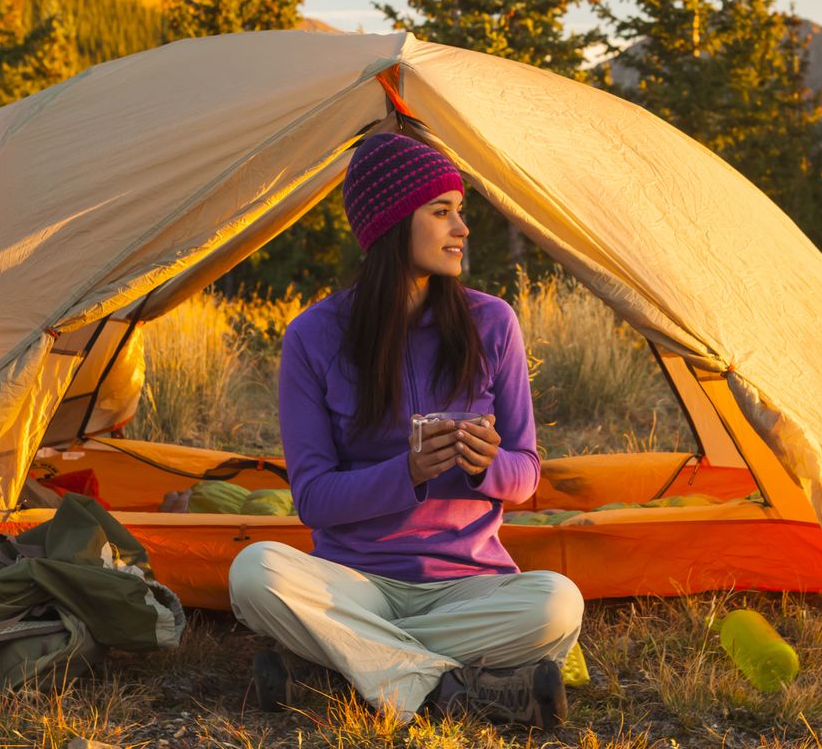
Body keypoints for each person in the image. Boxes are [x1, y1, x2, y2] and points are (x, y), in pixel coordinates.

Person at [229, 132, 582, 729]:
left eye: (460, 212)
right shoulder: (314, 336)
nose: (462, 229)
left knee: (557, 603)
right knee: (255, 572)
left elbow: (525, 473)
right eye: (441, 212)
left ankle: (346, 666)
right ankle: (449, 689)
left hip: (469, 582)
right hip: (353, 579)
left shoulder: (492, 322)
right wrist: (408, 472)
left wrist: (486, 465)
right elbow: (313, 499)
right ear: (392, 226)